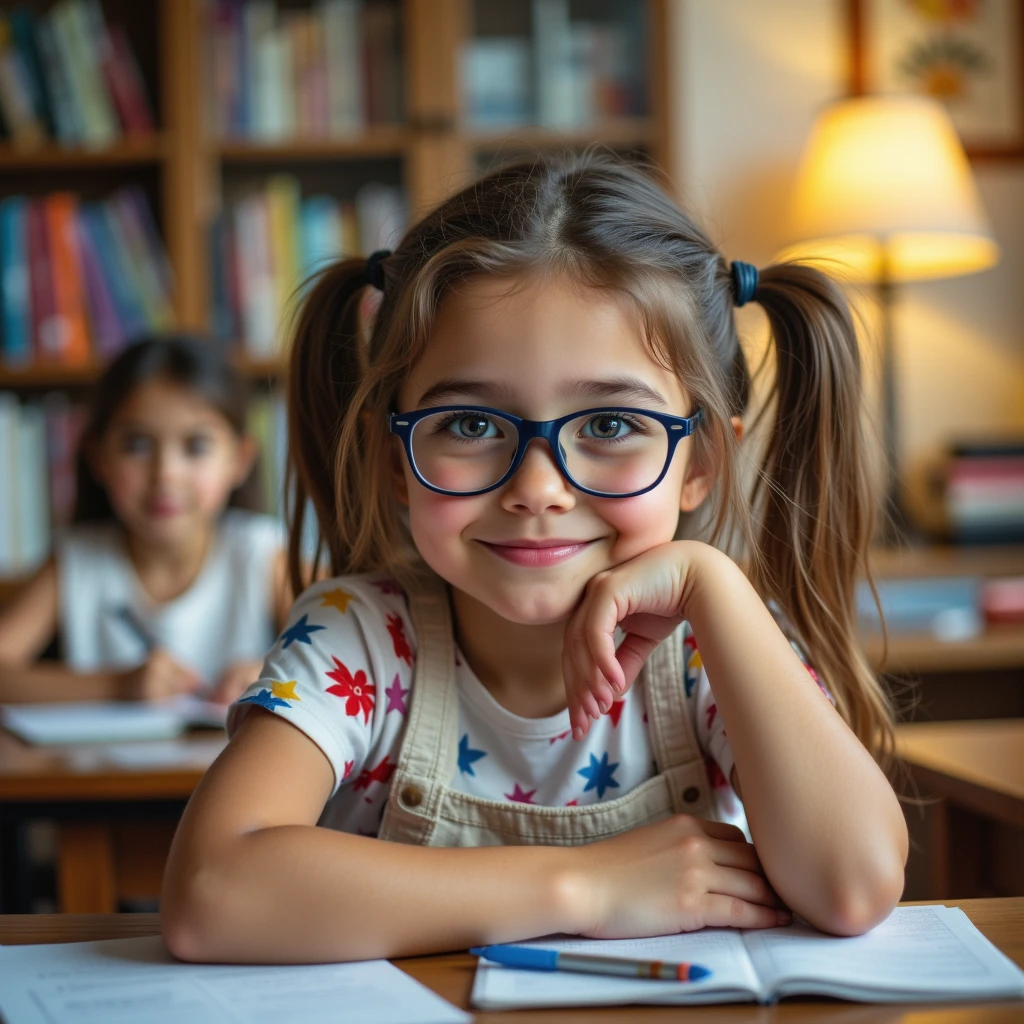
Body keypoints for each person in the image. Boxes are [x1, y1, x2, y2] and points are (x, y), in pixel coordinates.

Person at [162, 152, 908, 965]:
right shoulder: (362, 640)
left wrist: (714, 583)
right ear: (391, 456)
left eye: (613, 426)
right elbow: (211, 894)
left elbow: (855, 886)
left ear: (701, 465)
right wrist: (585, 886)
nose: (538, 488)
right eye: (472, 426)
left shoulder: (712, 644)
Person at [0, 335, 290, 706]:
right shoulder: (76, 561)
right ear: (97, 457)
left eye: (196, 446)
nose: (165, 475)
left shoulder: (262, 555)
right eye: (137, 445)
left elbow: (343, 648)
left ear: (240, 460)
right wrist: (118, 686)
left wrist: (271, 672)